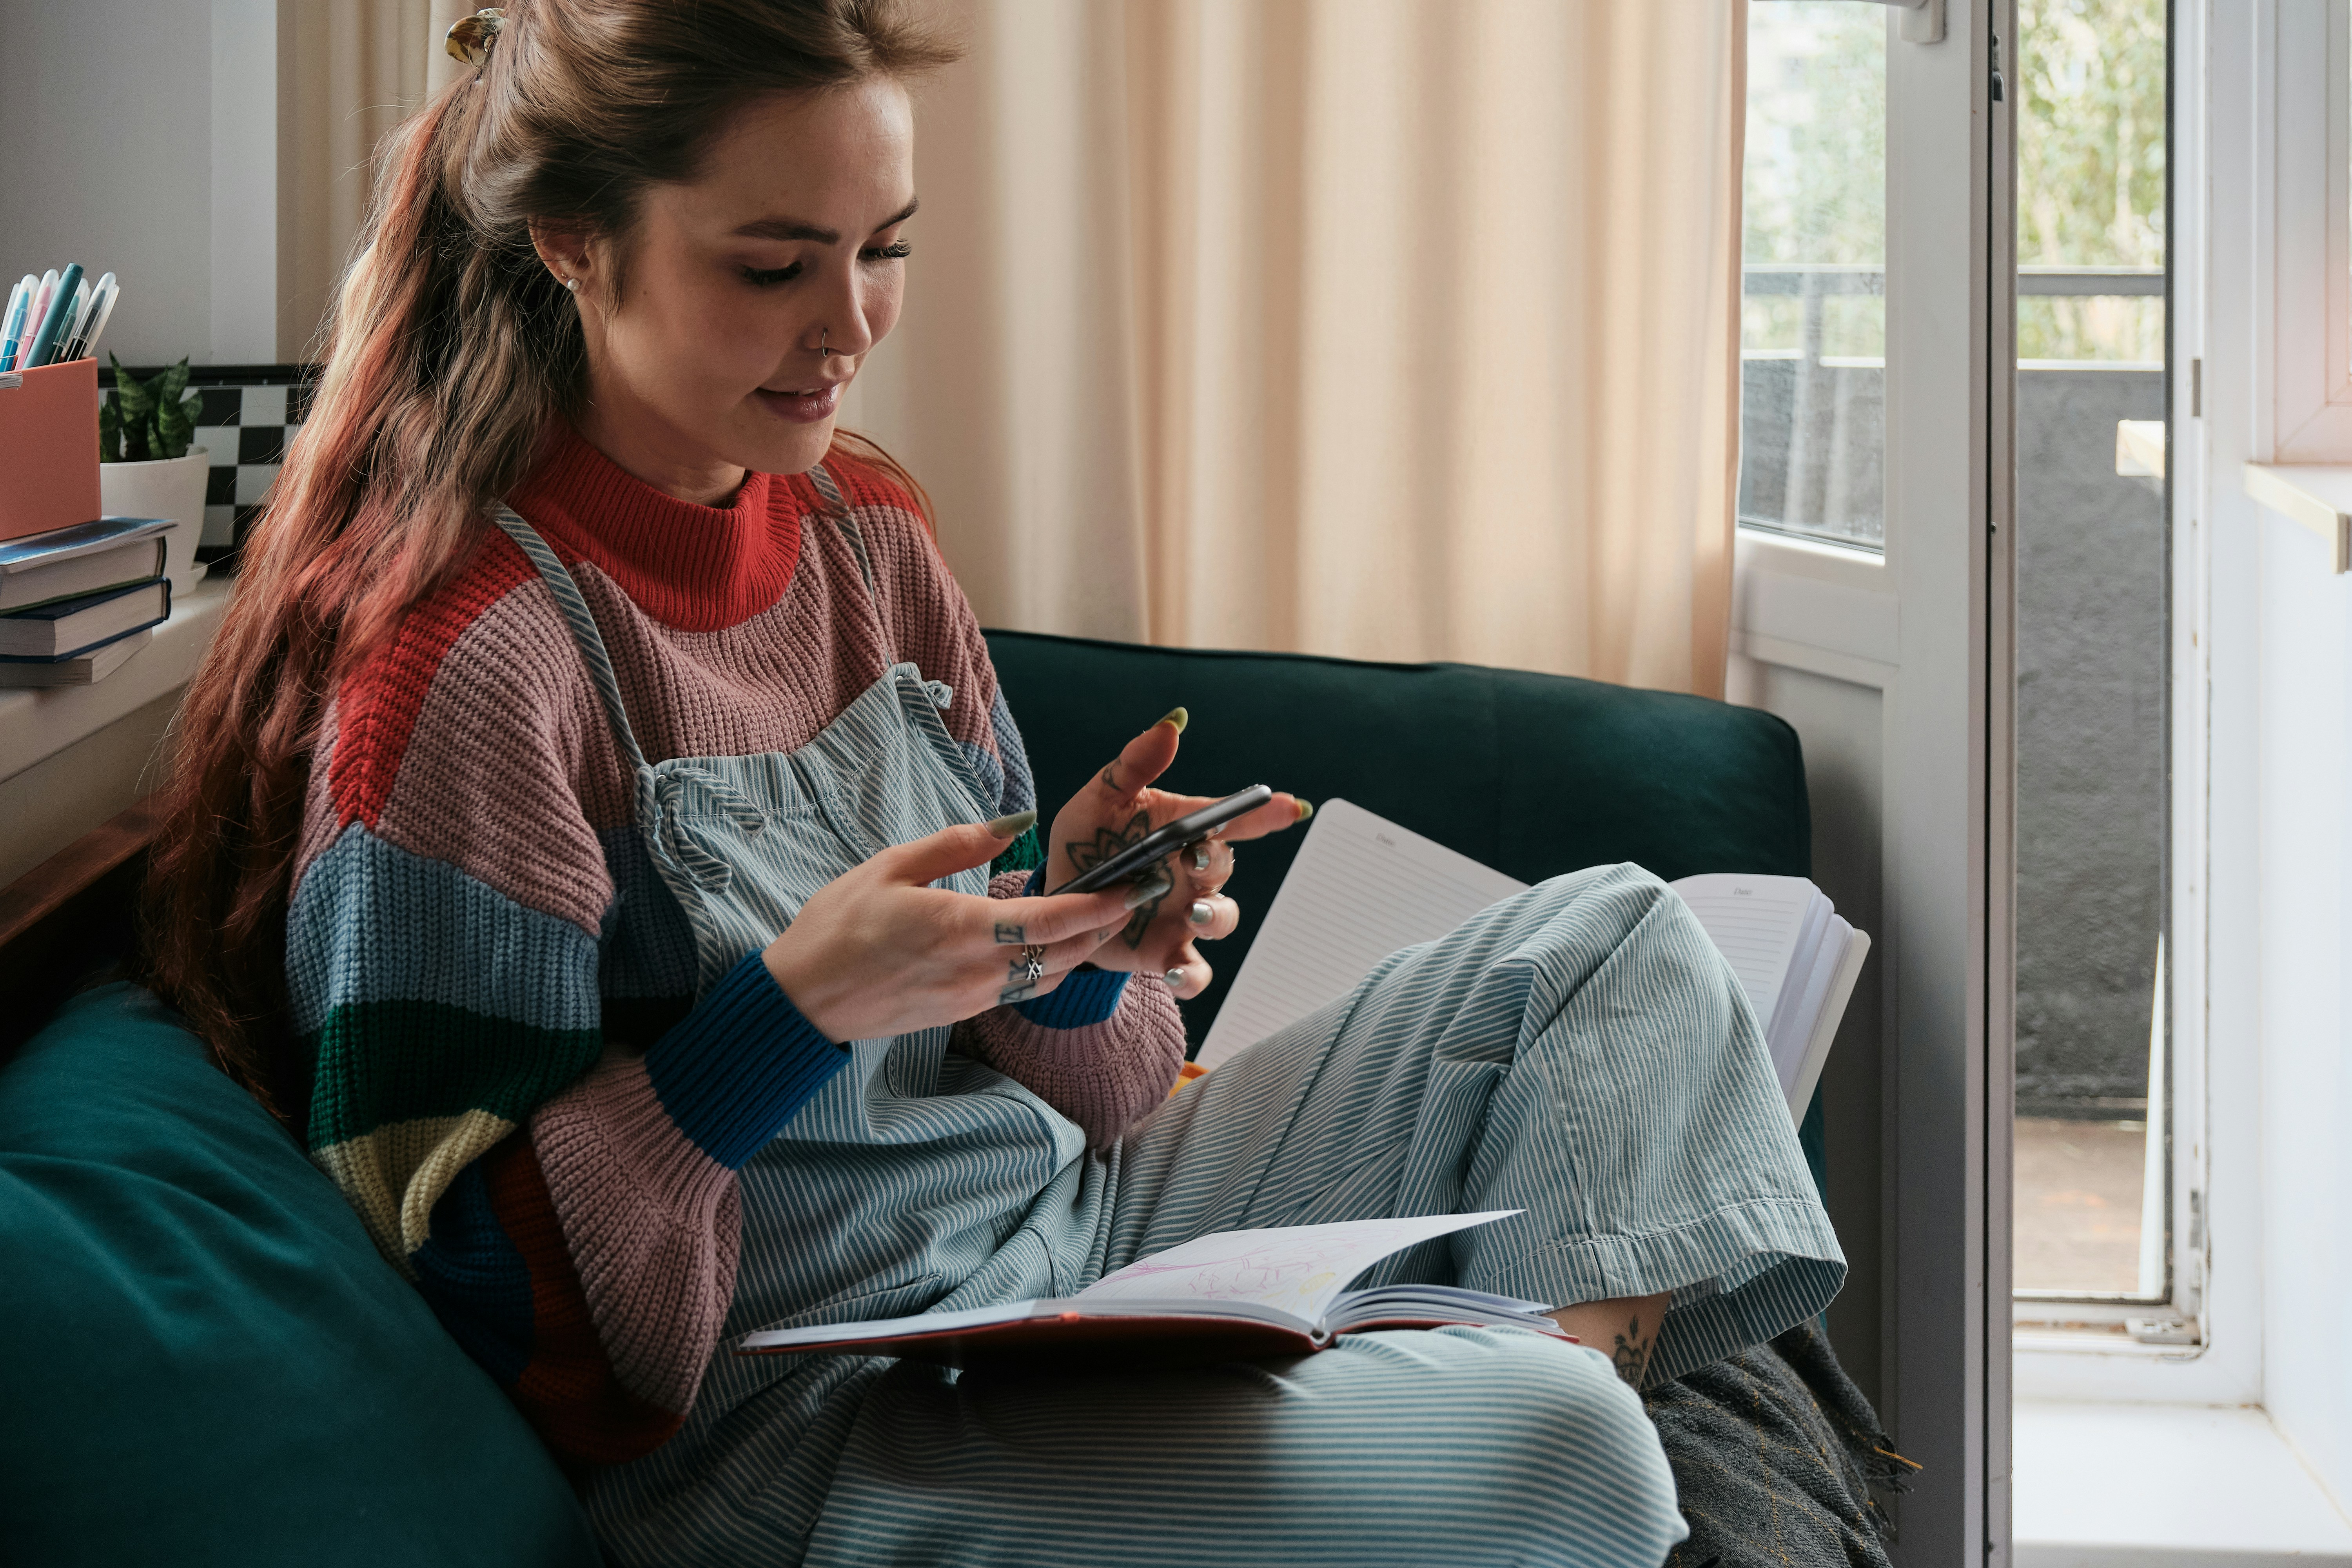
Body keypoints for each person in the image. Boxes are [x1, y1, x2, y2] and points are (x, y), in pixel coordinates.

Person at [141, 3, 1844, 1564]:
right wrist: (788, 1015)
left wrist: (1077, 936)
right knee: (1571, 1462)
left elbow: (1103, 1090)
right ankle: (1497, 1428)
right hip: (806, 1419)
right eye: (773, 265)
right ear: (574, 243)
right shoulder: (465, 675)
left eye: (882, 249)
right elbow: (475, 1298)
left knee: (1625, 942)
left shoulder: (866, 536)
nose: (849, 325)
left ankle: (1493, 1380)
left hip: (1062, 1241)